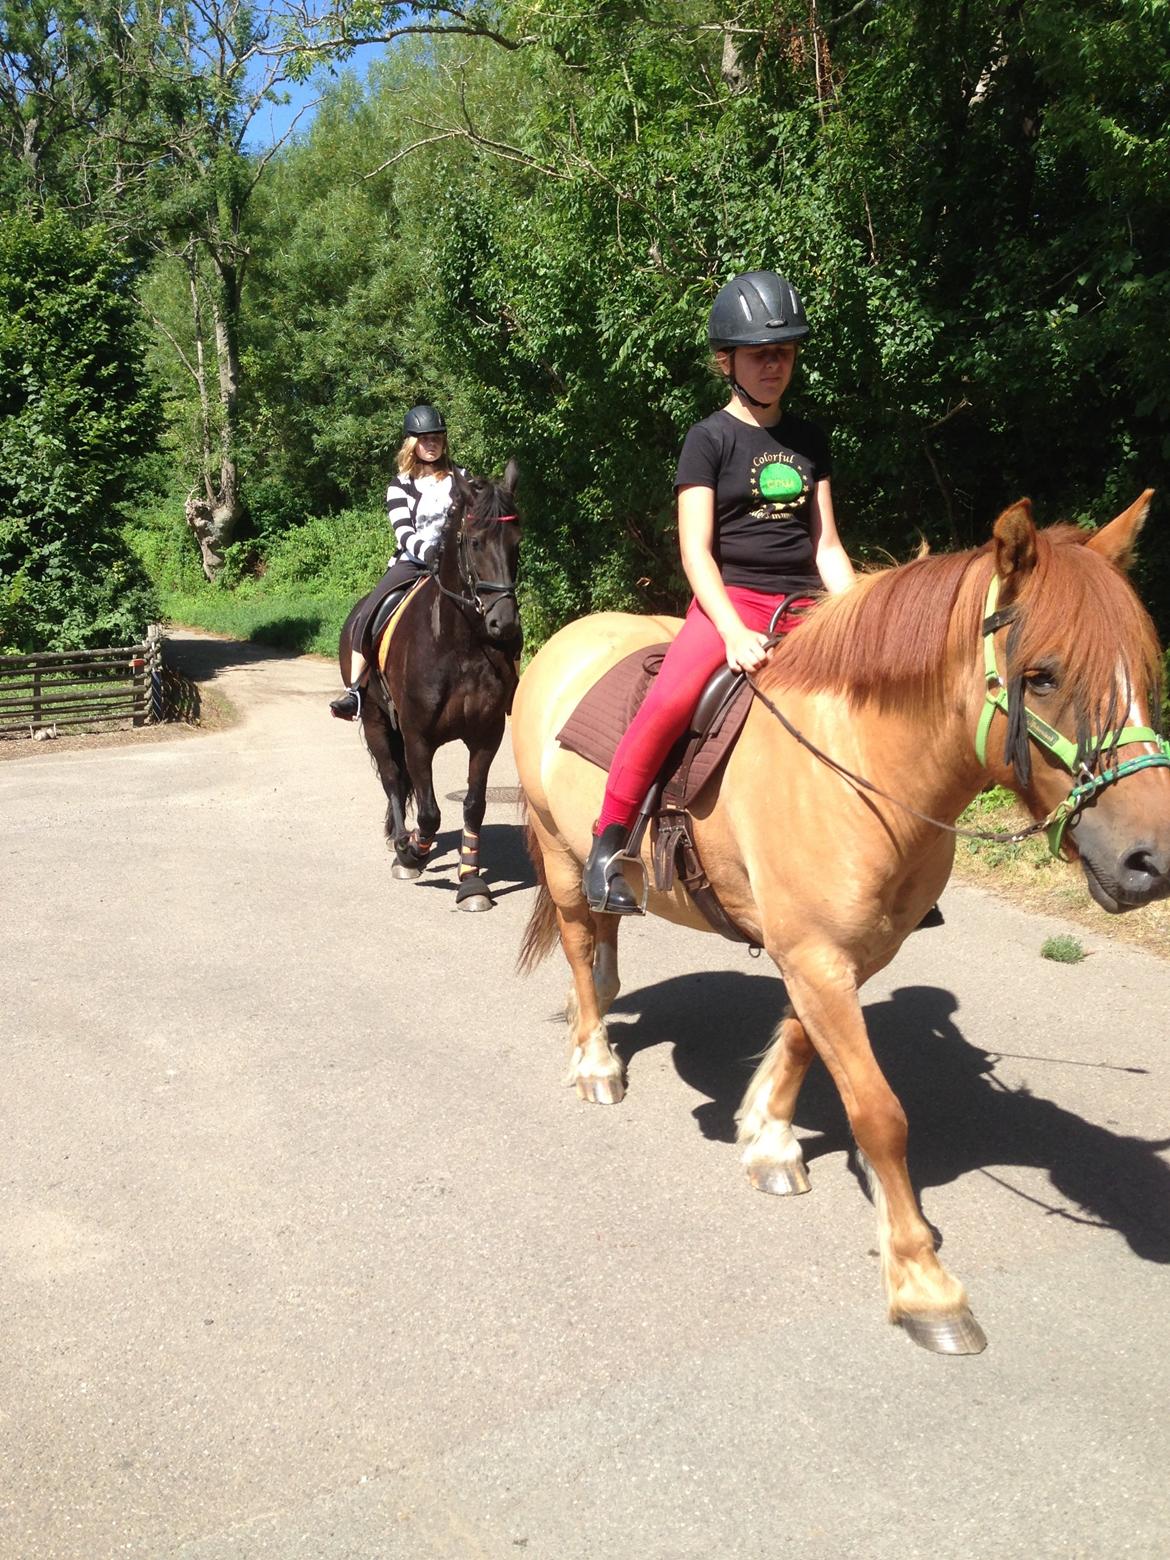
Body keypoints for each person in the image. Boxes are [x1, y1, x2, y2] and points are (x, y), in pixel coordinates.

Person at [582, 269, 857, 913]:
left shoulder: (809, 440)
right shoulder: (708, 439)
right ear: (726, 360)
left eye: (783, 353)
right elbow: (694, 550)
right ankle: (608, 843)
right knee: (669, 701)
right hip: (732, 601)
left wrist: (854, 611)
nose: (774, 366)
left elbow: (828, 546)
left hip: (809, 607)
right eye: (761, 354)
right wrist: (732, 631)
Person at [330, 404, 462, 719]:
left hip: (458, 563)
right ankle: (356, 691)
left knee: (498, 606)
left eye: (437, 438)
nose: (432, 444)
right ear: (411, 443)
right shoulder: (399, 485)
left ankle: (509, 682)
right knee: (368, 613)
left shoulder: (461, 477)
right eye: (425, 438)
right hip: (414, 561)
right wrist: (429, 554)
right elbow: (403, 531)